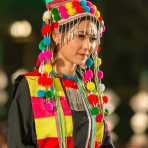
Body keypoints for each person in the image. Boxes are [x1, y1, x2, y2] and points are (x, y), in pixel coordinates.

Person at [8, 0, 114, 147]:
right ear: (56, 35)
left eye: (93, 39)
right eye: (81, 36)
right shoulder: (30, 87)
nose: (87, 46)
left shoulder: (91, 93)